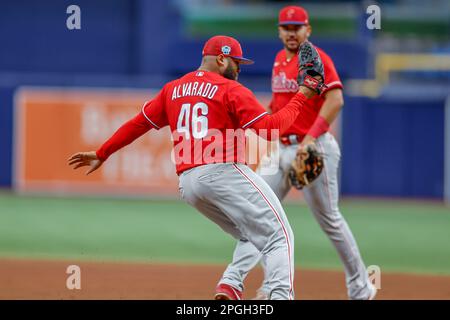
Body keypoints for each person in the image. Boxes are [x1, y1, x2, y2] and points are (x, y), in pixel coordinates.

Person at [68, 35, 326, 300]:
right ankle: (281, 297)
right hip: (222, 171)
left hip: (189, 184)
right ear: (222, 58)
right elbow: (272, 130)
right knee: (280, 236)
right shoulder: (230, 89)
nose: (239, 69)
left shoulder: (173, 89)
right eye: (236, 63)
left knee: (253, 235)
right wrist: (304, 93)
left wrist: (103, 152)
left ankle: (230, 285)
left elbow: (138, 123)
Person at [218, 6, 377, 300]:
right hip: (281, 148)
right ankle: (246, 283)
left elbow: (336, 99)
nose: (292, 33)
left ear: (308, 30)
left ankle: (361, 287)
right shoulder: (279, 60)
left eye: (297, 27)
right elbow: (278, 107)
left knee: (329, 219)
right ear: (279, 31)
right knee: (259, 214)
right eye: (286, 28)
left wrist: (310, 140)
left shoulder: (317, 59)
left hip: (314, 148)